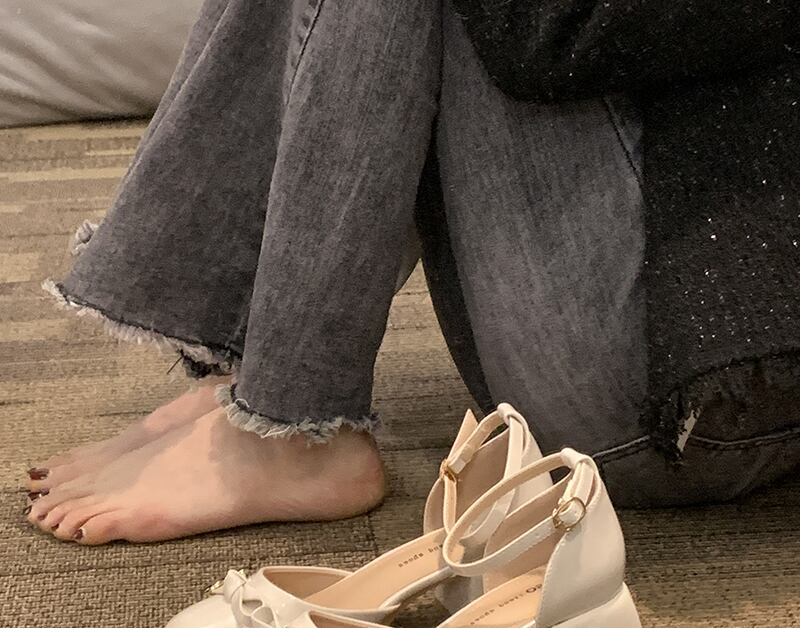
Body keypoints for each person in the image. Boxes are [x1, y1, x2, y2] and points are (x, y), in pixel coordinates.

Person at [25, 0, 800, 544]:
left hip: (710, 397)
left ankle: (295, 427)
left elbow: (565, 35)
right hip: (679, 334)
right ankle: (267, 387)